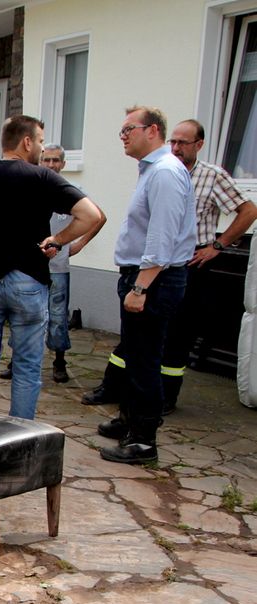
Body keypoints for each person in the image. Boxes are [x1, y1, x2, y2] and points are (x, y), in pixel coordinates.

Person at [82, 119, 257, 411]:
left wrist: (217, 246)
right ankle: (118, 391)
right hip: (156, 267)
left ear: (199, 145)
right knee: (137, 342)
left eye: (183, 143)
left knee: (175, 337)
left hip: (185, 265)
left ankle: (160, 403)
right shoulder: (159, 170)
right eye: (173, 141)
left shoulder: (206, 176)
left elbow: (247, 210)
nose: (175, 148)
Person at [0, 114, 103, 420]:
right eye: (39, 141)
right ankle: (19, 437)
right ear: (26, 142)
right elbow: (92, 215)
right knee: (26, 367)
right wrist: (58, 240)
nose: (40, 147)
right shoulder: (43, 178)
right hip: (29, 282)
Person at [96, 106, 196, 464]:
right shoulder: (153, 171)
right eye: (121, 131)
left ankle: (143, 440)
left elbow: (162, 238)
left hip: (154, 280)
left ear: (152, 130)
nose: (123, 136)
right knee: (133, 355)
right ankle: (129, 420)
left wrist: (140, 288)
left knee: (144, 359)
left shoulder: (166, 173)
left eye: (128, 129)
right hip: (143, 276)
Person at [40, 144, 106, 383]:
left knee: (57, 315)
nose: (50, 165)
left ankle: (59, 361)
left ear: (63, 164)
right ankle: (19, 361)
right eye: (46, 160)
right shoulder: (34, 187)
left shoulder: (71, 191)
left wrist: (80, 244)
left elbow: (99, 217)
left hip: (58, 267)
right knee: (26, 314)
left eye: (55, 160)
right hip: (31, 266)